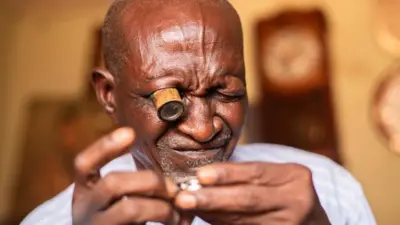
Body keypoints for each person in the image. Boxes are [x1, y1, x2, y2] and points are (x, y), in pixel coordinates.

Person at [21, 0, 376, 224]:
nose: (204, 129)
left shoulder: (330, 189)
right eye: (168, 100)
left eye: (227, 92)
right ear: (110, 95)